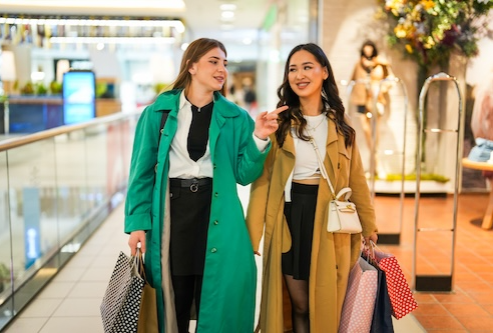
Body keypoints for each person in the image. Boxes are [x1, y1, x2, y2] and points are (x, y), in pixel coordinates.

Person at [125, 38, 287, 333]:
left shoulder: (235, 117)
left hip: (217, 213)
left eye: (224, 63)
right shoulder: (158, 113)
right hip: (171, 214)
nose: (221, 69)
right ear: (192, 65)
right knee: (174, 294)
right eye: (213, 61)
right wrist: (137, 223)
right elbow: (141, 173)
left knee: (215, 292)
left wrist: (260, 137)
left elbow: (244, 174)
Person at [246, 43, 378, 333]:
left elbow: (357, 179)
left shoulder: (341, 127)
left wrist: (369, 226)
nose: (299, 75)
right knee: (299, 304)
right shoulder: (279, 124)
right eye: (293, 69)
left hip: (329, 222)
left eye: (307, 67)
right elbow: (263, 182)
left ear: (324, 72)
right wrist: (251, 236)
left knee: (325, 302)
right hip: (290, 219)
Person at [350, 40, 393, 175]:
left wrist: (382, 89)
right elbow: (353, 80)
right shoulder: (359, 64)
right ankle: (376, 162)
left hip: (376, 100)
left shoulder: (381, 64)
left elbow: (390, 79)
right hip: (362, 100)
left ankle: (375, 165)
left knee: (376, 132)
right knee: (365, 129)